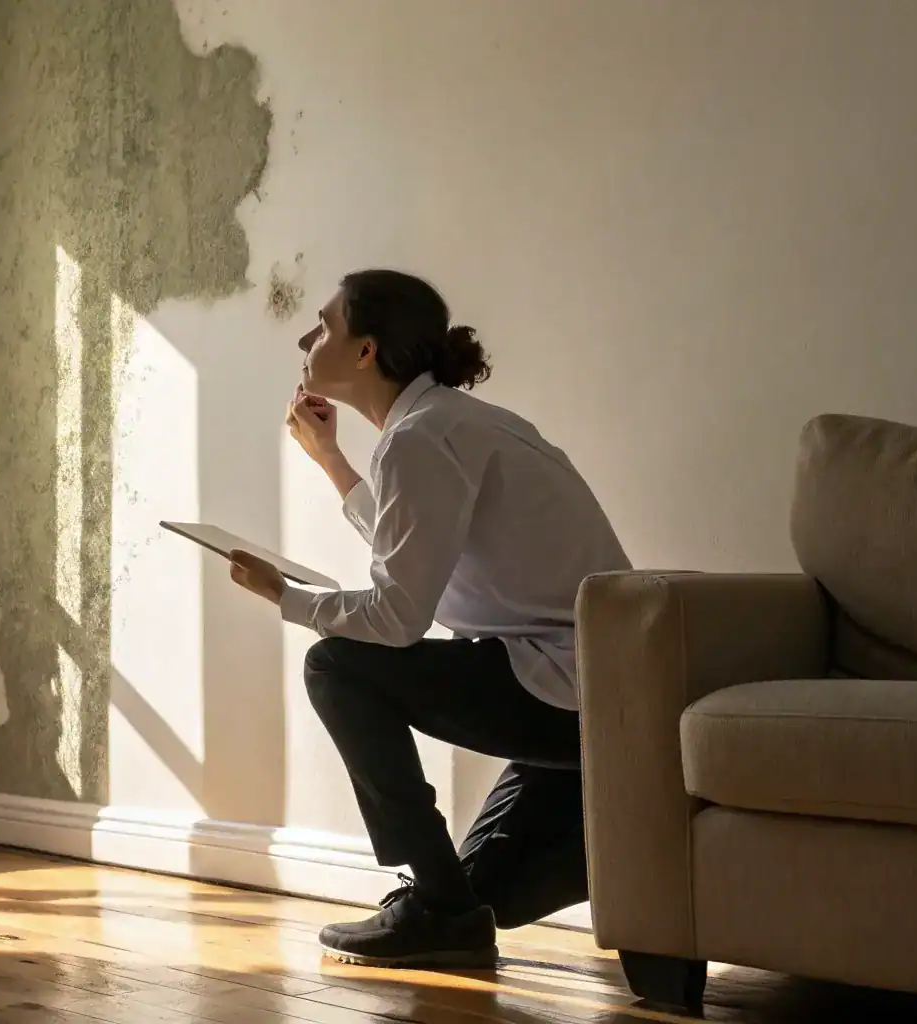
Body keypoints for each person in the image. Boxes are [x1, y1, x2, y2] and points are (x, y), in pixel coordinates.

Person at [226, 269, 632, 968]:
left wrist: (288, 599)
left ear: (366, 351)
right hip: (596, 684)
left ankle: (443, 904)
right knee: (480, 898)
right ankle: (611, 840)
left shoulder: (421, 439)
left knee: (335, 666)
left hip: (567, 687)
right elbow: (416, 544)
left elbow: (397, 618)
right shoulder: (449, 423)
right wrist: (331, 460)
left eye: (324, 325)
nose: (305, 338)